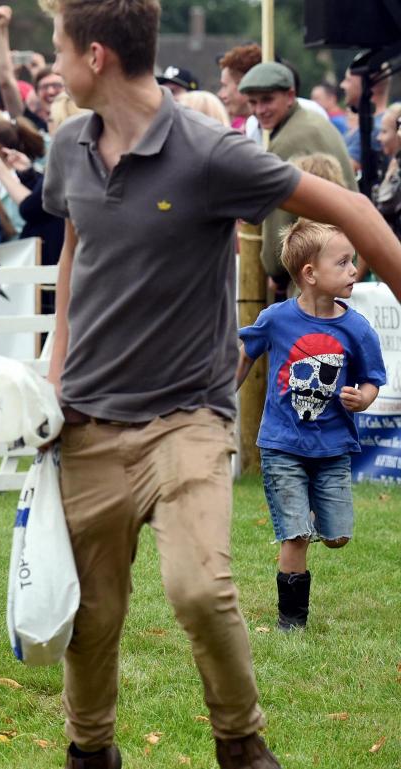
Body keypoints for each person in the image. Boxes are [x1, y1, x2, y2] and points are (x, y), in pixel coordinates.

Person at [37, 2, 401, 768]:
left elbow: (354, 209)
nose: (52, 64)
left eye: (58, 47)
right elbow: (75, 248)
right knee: (91, 614)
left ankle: (241, 742)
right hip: (87, 421)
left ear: (95, 54)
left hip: (186, 419)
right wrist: (54, 363)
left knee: (199, 589)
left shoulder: (209, 153)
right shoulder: (68, 144)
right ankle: (90, 749)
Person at [236, 219, 384, 631]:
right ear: (310, 274)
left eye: (353, 262)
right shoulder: (276, 319)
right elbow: (245, 354)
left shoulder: (356, 328)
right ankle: (292, 622)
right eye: (343, 263)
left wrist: (364, 397)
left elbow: (373, 379)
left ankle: (314, 515)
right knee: (295, 536)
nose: (354, 270)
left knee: (336, 537)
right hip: (282, 445)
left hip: (334, 448)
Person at [239, 62, 355, 287]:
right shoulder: (317, 122)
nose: (259, 110)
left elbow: (276, 254)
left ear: (290, 95)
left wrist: (273, 271)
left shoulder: (286, 142)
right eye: (253, 102)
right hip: (344, 266)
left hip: (317, 280)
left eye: (267, 100)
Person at [372, 104, 401, 239]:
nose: (379, 138)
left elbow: (383, 209)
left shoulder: (397, 171)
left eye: (384, 132)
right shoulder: (391, 163)